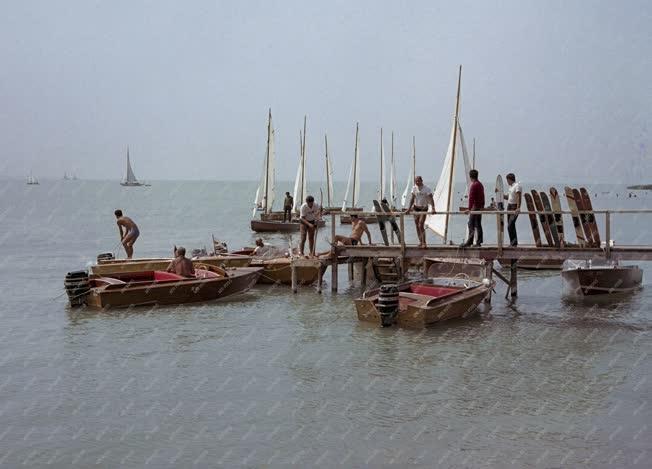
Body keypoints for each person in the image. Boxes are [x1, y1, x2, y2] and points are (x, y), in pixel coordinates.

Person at [406, 176, 435, 248]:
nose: (417, 182)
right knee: (416, 225)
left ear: (422, 181)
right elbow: (412, 199)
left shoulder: (427, 189)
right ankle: (420, 241)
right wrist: (409, 209)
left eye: (418, 181)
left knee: (420, 224)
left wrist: (433, 208)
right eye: (416, 181)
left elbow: (431, 198)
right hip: (416, 208)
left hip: (424, 208)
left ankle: (424, 242)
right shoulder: (414, 188)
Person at [461, 169, 485, 247]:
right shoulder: (480, 184)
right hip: (479, 207)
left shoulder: (474, 185)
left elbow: (471, 198)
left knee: (471, 224)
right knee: (478, 224)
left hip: (475, 207)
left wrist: (469, 208)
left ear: (471, 176)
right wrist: (482, 206)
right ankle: (479, 241)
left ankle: (470, 241)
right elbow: (483, 196)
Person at [504, 173, 522, 246]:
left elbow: (519, 197)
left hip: (514, 206)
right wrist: (500, 194)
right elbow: (508, 197)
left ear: (509, 179)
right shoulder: (511, 187)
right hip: (509, 206)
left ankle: (513, 243)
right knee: (510, 225)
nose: (507, 182)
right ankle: (513, 243)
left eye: (507, 180)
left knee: (510, 225)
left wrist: (518, 208)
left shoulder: (517, 186)